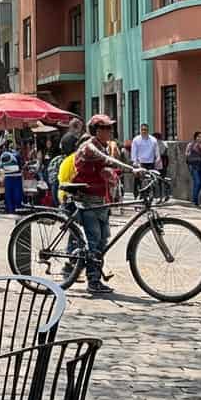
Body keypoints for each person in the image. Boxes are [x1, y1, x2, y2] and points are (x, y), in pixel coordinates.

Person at [69, 115, 140, 295]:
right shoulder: (90, 147)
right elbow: (107, 161)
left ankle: (95, 273)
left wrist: (117, 174)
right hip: (89, 199)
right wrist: (132, 169)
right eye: (106, 128)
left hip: (101, 200)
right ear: (96, 131)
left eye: (110, 128)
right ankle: (93, 280)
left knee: (103, 240)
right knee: (94, 241)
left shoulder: (104, 146)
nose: (110, 131)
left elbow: (107, 167)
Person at [129, 123, 161, 196]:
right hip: (140, 163)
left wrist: (157, 160)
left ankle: (149, 195)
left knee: (150, 180)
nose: (144, 131)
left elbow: (157, 152)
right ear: (140, 130)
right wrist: (135, 162)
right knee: (138, 180)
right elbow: (133, 153)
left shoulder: (153, 140)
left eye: (145, 130)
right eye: (142, 130)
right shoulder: (136, 140)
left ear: (148, 130)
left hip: (150, 163)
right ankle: (136, 194)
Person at [184, 131, 201, 206]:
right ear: (195, 137)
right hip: (193, 166)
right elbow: (186, 153)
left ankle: (199, 200)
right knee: (197, 182)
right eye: (199, 136)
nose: (200, 138)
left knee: (200, 183)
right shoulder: (191, 144)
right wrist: (189, 153)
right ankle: (194, 201)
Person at [0, 140, 24, 214]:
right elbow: (20, 166)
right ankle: (17, 208)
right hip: (17, 176)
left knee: (8, 194)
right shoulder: (17, 154)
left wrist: (1, 178)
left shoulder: (2, 154)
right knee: (17, 193)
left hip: (7, 176)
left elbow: (1, 167)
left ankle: (10, 209)